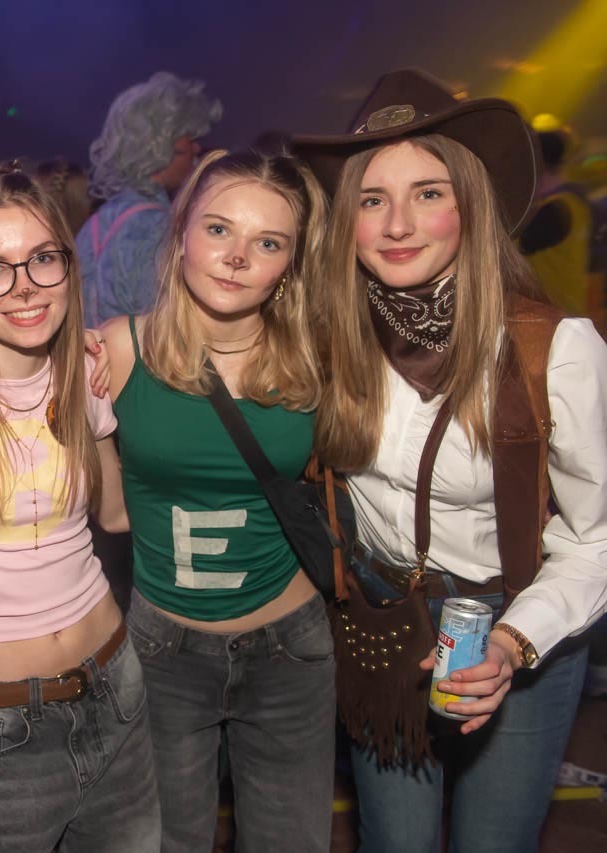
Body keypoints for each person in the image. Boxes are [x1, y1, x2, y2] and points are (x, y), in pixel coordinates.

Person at [294, 68, 607, 853]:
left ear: (471, 205)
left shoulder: (554, 350)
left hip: (512, 624)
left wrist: (514, 639)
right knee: (392, 841)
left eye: (428, 193)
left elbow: (599, 534)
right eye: (373, 199)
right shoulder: (326, 338)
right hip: (381, 624)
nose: (398, 223)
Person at [0, 165, 159, 852]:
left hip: (116, 686)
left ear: (68, 267)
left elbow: (117, 515)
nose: (24, 287)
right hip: (2, 728)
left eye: (43, 259)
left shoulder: (86, 372)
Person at [98, 148, 334, 852]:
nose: (236, 257)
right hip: (165, 652)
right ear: (182, 234)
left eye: (268, 243)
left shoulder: (318, 358)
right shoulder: (118, 349)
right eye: (219, 229)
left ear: (291, 263)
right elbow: (112, 513)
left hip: (291, 650)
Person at [76, 73, 222, 328]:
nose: (196, 149)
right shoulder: (156, 226)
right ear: (159, 146)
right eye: (188, 137)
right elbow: (166, 325)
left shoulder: (97, 221)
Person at [518, 127, 596, 318]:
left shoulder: (554, 211)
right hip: (564, 313)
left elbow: (506, 249)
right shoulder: (572, 202)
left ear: (537, 164)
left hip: (551, 318)